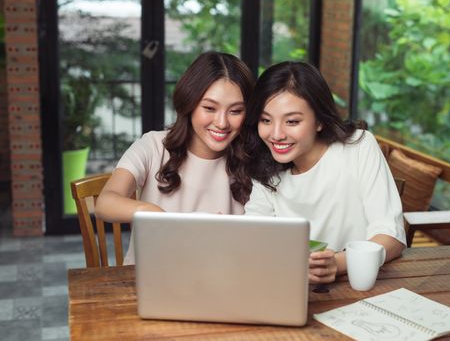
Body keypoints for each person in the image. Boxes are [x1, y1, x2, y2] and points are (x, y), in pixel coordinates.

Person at [238, 61, 406, 284]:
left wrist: (337, 264)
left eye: (292, 121)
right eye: (266, 120)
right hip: (293, 288)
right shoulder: (265, 168)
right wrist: (234, 237)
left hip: (358, 285)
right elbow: (256, 233)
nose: (276, 134)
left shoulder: (359, 147)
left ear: (319, 120)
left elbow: (391, 235)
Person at [96, 52, 255, 264]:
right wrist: (155, 214)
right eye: (209, 108)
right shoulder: (153, 146)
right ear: (190, 103)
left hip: (220, 279)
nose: (222, 122)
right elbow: (105, 203)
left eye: (236, 111)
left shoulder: (253, 159)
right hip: (150, 279)